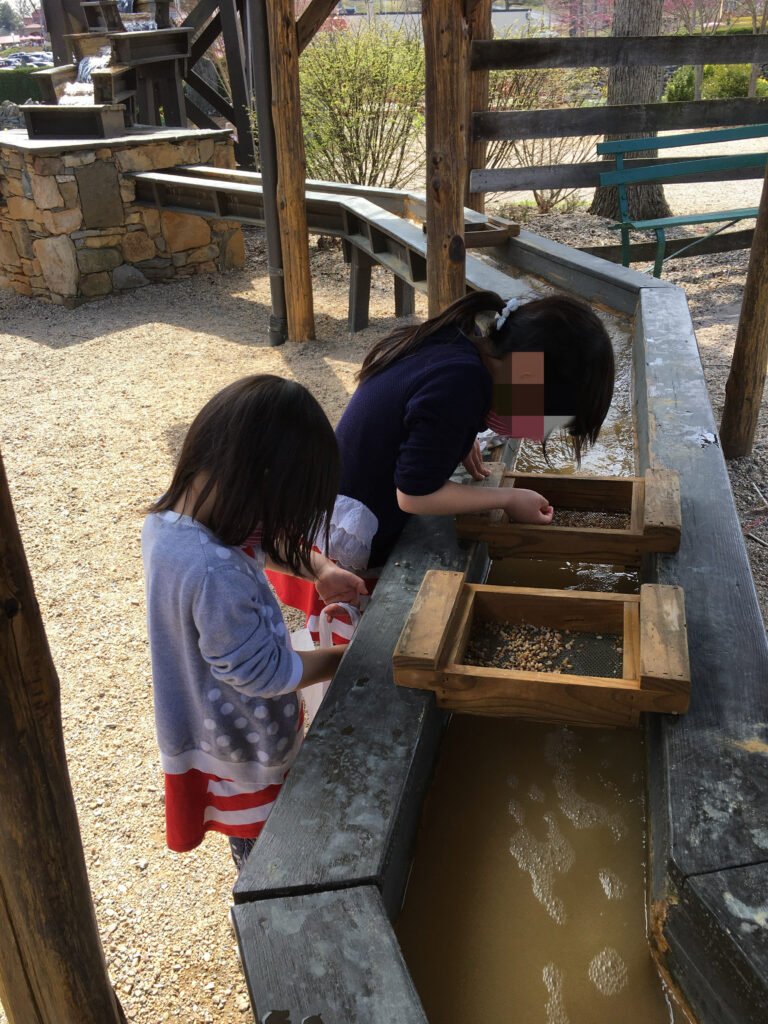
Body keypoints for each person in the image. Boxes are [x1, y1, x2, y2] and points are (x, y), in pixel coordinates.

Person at [267, 289, 614, 630]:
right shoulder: (461, 385)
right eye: (546, 417)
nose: (538, 432)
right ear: (528, 376)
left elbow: (411, 408)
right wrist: (509, 498)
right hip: (344, 541)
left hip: (333, 493)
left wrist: (456, 441)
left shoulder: (460, 342)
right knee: (351, 634)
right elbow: (415, 494)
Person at [141, 375, 367, 872]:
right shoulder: (211, 567)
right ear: (260, 482)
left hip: (218, 724)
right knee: (268, 859)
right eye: (286, 505)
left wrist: (321, 569)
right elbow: (260, 673)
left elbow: (263, 542)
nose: (282, 522)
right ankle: (263, 921)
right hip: (242, 745)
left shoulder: (180, 520)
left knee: (260, 847)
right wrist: (345, 659)